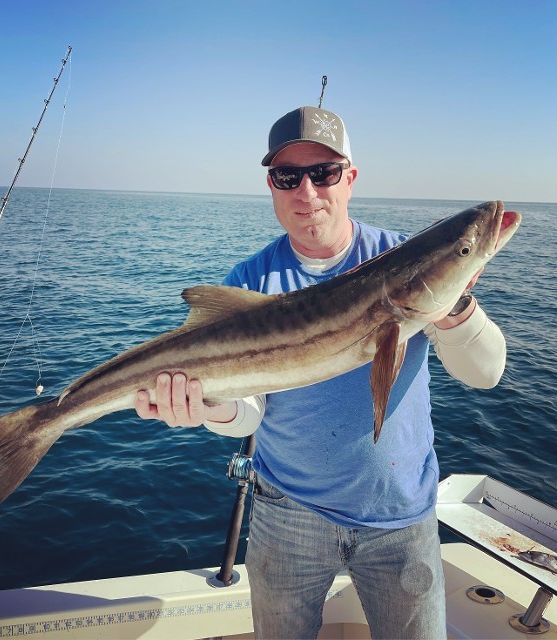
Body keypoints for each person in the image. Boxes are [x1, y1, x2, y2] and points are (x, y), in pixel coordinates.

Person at [134, 106, 506, 639]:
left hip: (401, 514)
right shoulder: (250, 281)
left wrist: (456, 307)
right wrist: (207, 405)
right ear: (272, 187)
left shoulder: (402, 257)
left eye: (324, 173)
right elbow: (248, 412)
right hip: (288, 514)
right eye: (290, 177)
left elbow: (486, 374)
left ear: (349, 179)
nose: (307, 192)